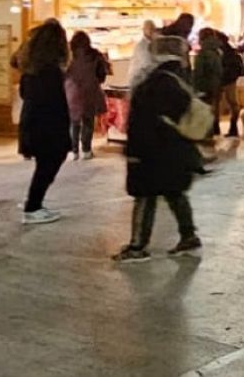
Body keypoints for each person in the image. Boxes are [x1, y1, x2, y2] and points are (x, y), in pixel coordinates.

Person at [113, 35, 203, 263]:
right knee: (174, 192)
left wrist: (133, 152)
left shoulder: (152, 83)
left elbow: (142, 121)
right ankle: (188, 236)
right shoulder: (179, 79)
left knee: (145, 196)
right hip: (177, 150)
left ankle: (137, 246)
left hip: (152, 151)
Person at [18, 21, 73, 225]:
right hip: (48, 123)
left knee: (45, 164)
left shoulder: (31, 67)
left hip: (33, 120)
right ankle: (33, 206)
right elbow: (53, 101)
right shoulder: (51, 71)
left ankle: (34, 201)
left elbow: (24, 93)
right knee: (49, 164)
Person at [64, 31, 110, 160]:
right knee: (88, 121)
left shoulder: (69, 55)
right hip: (90, 90)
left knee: (73, 122)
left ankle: (73, 151)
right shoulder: (95, 54)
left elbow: (63, 72)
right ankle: (86, 150)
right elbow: (102, 73)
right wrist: (96, 81)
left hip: (72, 91)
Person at [191, 28, 224, 139]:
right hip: (216, 84)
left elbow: (199, 72)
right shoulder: (217, 50)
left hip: (205, 86)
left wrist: (196, 87)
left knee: (205, 111)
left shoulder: (203, 53)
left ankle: (207, 135)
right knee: (214, 109)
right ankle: (214, 130)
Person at [126, 20, 157, 87]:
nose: (152, 31)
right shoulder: (141, 46)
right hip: (139, 80)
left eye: (153, 29)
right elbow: (146, 64)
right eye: (149, 29)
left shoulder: (153, 44)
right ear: (144, 30)